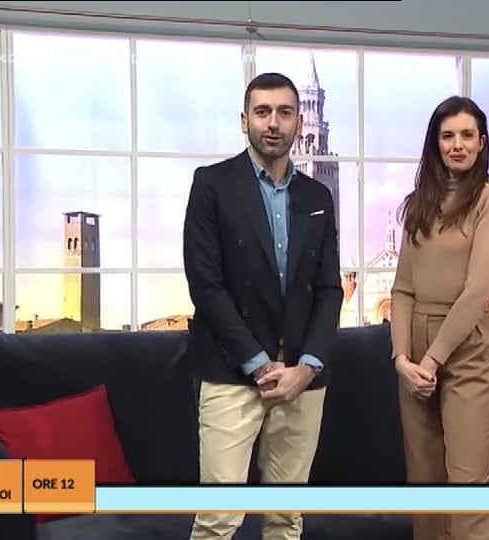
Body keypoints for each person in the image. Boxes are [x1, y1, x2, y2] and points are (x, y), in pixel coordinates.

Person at [182, 72, 343, 540]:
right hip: (231, 372)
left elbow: (329, 290)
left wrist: (306, 368)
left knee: (286, 519)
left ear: (299, 122)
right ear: (245, 120)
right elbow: (206, 286)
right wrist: (260, 365)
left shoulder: (317, 196)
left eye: (285, 112)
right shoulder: (211, 184)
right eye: (263, 112)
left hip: (302, 380)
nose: (273, 123)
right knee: (217, 521)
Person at [390, 96, 489, 540]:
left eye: (466, 135)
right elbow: (402, 289)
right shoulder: (419, 203)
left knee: (467, 487)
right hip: (414, 353)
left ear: (482, 142)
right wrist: (402, 359)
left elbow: (477, 290)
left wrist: (432, 360)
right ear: (436, 144)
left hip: (467, 346)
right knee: (425, 488)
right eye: (447, 136)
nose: (457, 145)